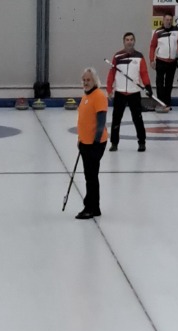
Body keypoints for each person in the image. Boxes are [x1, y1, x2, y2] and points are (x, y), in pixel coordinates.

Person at [74, 68, 109, 220]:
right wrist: (80, 139)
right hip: (85, 142)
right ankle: (95, 207)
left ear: (94, 81)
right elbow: (83, 120)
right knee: (90, 175)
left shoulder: (99, 96)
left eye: (88, 80)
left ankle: (90, 207)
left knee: (91, 176)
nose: (86, 82)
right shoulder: (85, 97)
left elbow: (101, 122)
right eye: (84, 80)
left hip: (95, 144)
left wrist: (95, 142)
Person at [106, 31, 149, 152]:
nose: (129, 42)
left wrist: (148, 86)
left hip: (134, 92)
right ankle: (114, 143)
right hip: (120, 92)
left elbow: (144, 73)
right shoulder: (117, 56)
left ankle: (142, 142)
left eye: (131, 40)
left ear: (134, 41)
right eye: (127, 40)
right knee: (116, 119)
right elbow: (112, 73)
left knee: (138, 119)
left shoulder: (139, 57)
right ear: (124, 42)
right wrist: (109, 89)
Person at [150, 14, 178, 109]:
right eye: (167, 20)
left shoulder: (176, 31)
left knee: (169, 84)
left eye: (170, 20)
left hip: (172, 62)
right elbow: (152, 46)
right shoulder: (158, 31)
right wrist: (151, 60)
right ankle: (160, 103)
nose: (168, 21)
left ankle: (167, 103)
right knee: (159, 83)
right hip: (160, 60)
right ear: (163, 20)